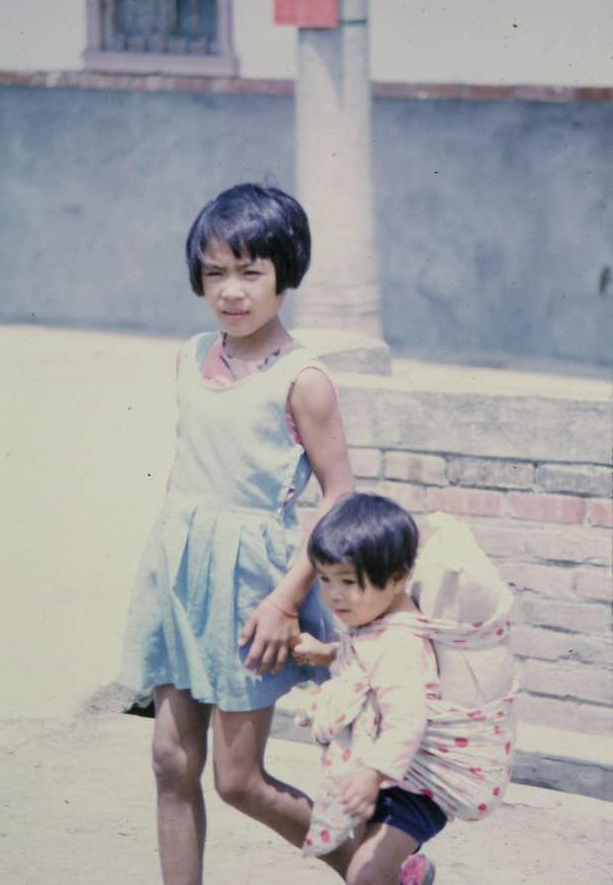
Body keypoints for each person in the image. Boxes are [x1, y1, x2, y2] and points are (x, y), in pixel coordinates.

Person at [118, 183, 355, 885]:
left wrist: (286, 600)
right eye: (216, 271)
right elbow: (187, 471)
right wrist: (167, 561)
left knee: (237, 778)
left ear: (286, 273)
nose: (231, 291)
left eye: (250, 271)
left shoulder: (303, 379)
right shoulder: (192, 356)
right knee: (169, 760)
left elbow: (340, 497)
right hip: (180, 570)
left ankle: (374, 862)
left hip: (254, 589)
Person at [293, 493, 516, 885]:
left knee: (365, 872)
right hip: (390, 774)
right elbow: (364, 664)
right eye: (325, 579)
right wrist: (328, 654)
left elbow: (406, 718)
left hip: (414, 788)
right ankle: (409, 875)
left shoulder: (397, 645)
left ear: (397, 578)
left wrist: (373, 774)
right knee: (369, 855)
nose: (334, 594)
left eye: (348, 581)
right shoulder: (376, 617)